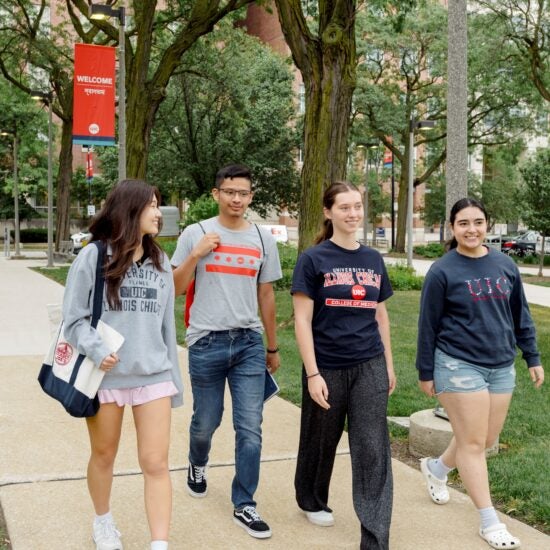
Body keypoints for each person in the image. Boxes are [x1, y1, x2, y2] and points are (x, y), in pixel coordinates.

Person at [416, 197, 544, 550]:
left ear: (487, 225)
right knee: (473, 444)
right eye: (463, 223)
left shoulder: (505, 264)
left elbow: (520, 316)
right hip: (458, 364)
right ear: (452, 228)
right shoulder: (443, 270)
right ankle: (490, 522)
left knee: (483, 439)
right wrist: (426, 371)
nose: (471, 229)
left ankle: (438, 468)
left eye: (477, 222)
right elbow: (427, 324)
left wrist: (532, 356)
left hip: (501, 365)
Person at [62, 180, 183, 550]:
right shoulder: (94, 257)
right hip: (106, 376)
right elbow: (73, 320)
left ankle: (159, 543)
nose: (158, 212)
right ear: (129, 209)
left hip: (154, 376)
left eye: (158, 204)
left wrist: (175, 383)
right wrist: (97, 350)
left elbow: (167, 328)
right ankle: (103, 522)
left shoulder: (161, 262)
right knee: (104, 454)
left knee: (156, 462)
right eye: (151, 205)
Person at [171, 164, 282, 539]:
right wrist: (196, 255)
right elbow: (175, 288)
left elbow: (266, 294)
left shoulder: (263, 239)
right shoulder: (195, 233)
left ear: (251, 196)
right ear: (216, 193)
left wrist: (272, 345)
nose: (237, 199)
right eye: (230, 192)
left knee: (250, 427)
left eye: (244, 193)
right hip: (206, 342)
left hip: (249, 343)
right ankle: (196, 462)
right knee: (207, 422)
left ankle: (245, 503)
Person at [291, 182, 396, 549]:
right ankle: (311, 498)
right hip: (328, 364)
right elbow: (302, 320)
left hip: (369, 363)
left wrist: (389, 364)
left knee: (372, 447)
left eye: (357, 206)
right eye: (344, 207)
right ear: (328, 212)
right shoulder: (314, 258)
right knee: (321, 439)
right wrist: (313, 373)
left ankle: (375, 536)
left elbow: (380, 315)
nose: (353, 214)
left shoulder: (373, 259)